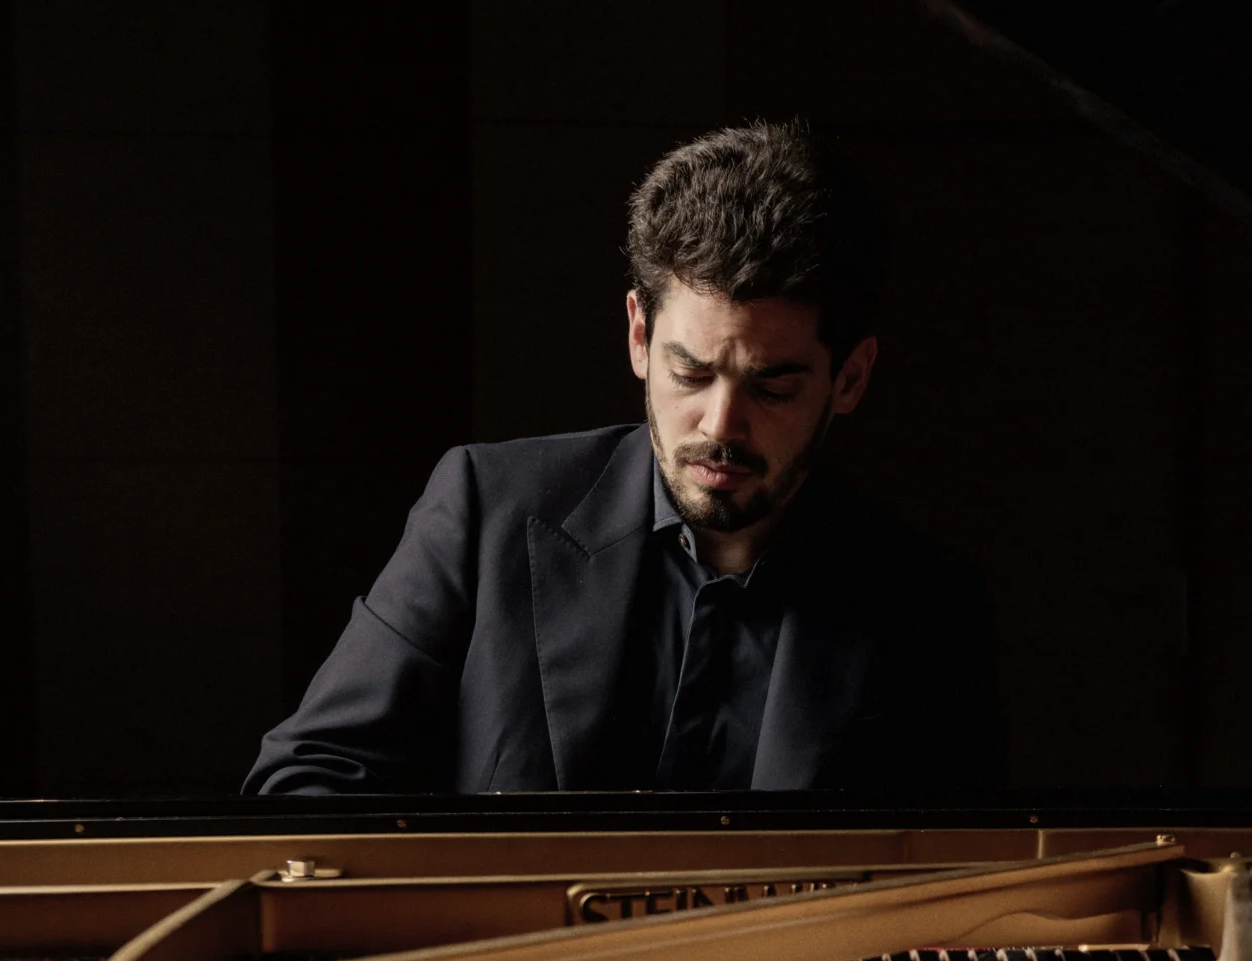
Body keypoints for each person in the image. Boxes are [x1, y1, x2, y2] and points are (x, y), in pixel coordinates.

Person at [248, 121, 1001, 794]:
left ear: (852, 378)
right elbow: (305, 782)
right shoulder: (486, 510)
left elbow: (956, 888)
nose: (721, 424)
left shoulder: (928, 610)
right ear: (640, 336)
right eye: (692, 373)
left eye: (772, 386)